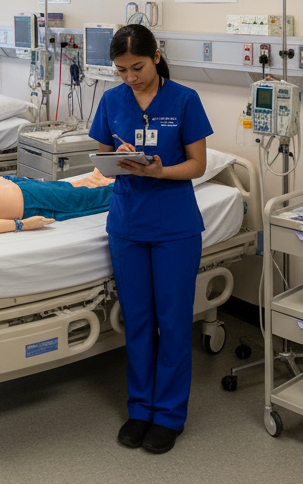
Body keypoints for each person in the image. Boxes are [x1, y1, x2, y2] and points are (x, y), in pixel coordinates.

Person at [88, 24, 211, 455]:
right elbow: (101, 161)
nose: (130, 77)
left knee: (173, 322)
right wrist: (118, 158)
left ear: (156, 57)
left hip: (175, 225)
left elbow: (197, 165)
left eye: (137, 67)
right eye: (121, 70)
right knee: (137, 320)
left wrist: (160, 171)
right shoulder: (112, 100)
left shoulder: (184, 99)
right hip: (127, 224)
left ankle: (169, 414)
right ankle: (140, 408)